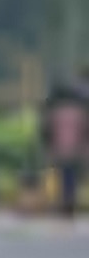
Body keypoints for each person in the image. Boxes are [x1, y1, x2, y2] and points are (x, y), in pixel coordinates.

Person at [40, 83, 88, 218]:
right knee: (71, 177)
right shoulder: (80, 113)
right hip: (75, 151)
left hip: (59, 151)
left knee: (62, 177)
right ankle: (69, 203)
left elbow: (46, 132)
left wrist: (48, 149)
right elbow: (85, 132)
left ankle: (63, 203)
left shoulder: (54, 113)